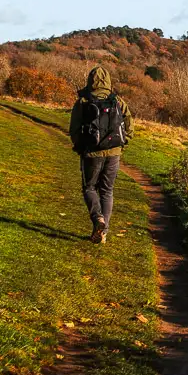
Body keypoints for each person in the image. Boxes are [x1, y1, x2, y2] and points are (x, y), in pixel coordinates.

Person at [68, 66, 133, 244]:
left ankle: (98, 219)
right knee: (107, 190)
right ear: (108, 81)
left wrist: (80, 147)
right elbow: (129, 124)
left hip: (92, 152)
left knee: (89, 188)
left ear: (90, 80)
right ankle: (103, 233)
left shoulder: (83, 101)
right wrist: (122, 143)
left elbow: (74, 129)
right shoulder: (117, 101)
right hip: (114, 152)